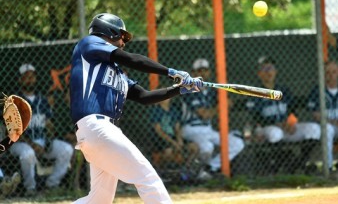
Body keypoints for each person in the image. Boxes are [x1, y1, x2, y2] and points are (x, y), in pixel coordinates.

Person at [69, 13, 202, 204]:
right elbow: (132, 59)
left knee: (99, 199)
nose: (123, 42)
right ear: (109, 31)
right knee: (147, 178)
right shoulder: (89, 44)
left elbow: (144, 97)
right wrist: (170, 72)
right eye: (121, 36)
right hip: (97, 127)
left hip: (96, 133)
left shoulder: (118, 74)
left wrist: (179, 90)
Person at [245, 56, 321, 173]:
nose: (268, 72)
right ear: (259, 74)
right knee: (276, 133)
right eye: (264, 69)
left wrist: (291, 123)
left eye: (271, 68)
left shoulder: (283, 90)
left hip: (287, 127)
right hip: (267, 129)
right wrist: (278, 124)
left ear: (275, 71)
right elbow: (256, 116)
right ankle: (288, 162)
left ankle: (300, 162)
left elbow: (293, 110)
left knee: (314, 129)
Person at [9, 64, 74, 196]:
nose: (29, 80)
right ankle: (30, 188)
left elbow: (49, 125)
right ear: (20, 80)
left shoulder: (42, 100)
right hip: (19, 143)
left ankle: (52, 184)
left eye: (32, 77)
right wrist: (33, 145)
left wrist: (48, 141)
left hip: (42, 141)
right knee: (28, 154)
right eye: (26, 77)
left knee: (67, 149)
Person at [181, 58, 245, 177]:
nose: (202, 74)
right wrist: (221, 105)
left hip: (208, 130)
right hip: (190, 129)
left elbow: (229, 103)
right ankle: (194, 172)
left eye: (205, 70)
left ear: (209, 72)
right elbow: (204, 114)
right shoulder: (188, 89)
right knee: (207, 147)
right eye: (199, 71)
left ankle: (210, 168)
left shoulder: (211, 91)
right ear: (193, 74)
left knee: (237, 143)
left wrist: (227, 102)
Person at [150, 96, 199, 170]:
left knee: (194, 147)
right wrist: (173, 142)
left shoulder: (173, 110)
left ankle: (185, 168)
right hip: (160, 138)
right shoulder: (156, 110)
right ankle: (165, 171)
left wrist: (179, 140)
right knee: (168, 151)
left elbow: (177, 128)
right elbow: (159, 131)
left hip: (173, 137)